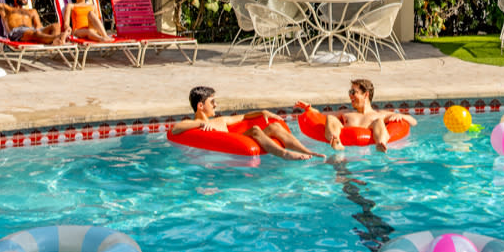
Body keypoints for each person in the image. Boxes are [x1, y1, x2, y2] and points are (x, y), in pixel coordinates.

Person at [172, 86, 320, 161]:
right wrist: (200, 125)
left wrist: (263, 112)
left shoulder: (220, 121)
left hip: (240, 139)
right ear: (200, 106)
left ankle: (308, 151)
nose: (216, 105)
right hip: (235, 146)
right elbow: (175, 129)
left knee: (275, 126)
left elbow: (244, 117)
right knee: (255, 129)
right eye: (212, 102)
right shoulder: (193, 123)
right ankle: (285, 154)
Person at [304, 78, 416, 151]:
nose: (350, 96)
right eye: (349, 92)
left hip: (369, 150)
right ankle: (336, 141)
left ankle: (381, 143)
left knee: (378, 121)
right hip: (347, 149)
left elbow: (413, 122)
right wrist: (309, 109)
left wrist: (403, 116)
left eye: (353, 92)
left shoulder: (379, 114)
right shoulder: (347, 113)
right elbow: (322, 116)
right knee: (331, 118)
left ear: (366, 95)